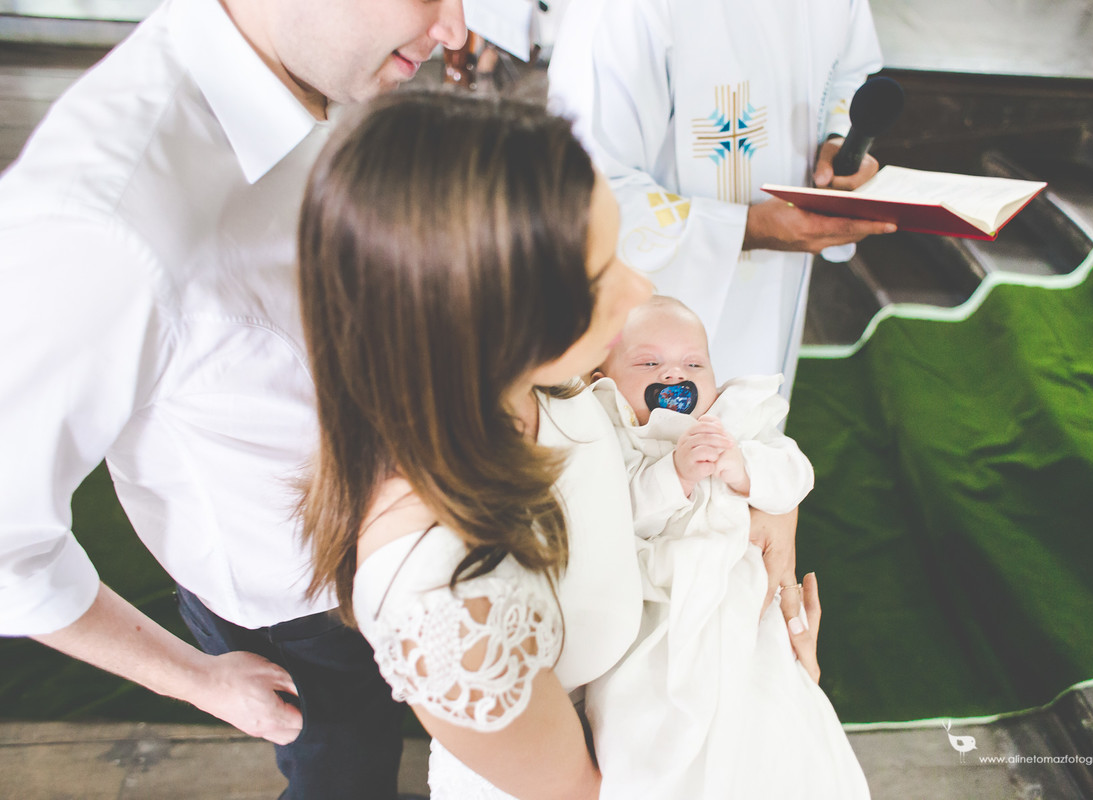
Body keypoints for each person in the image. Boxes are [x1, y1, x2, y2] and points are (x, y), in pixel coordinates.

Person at [295, 91, 822, 799]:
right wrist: (761, 715)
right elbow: (587, 789)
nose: (639, 290)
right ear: (487, 317)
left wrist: (770, 528)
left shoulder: (553, 383)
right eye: (598, 276)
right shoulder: (446, 604)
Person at [0, 0, 466, 795]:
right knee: (347, 778)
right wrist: (196, 680)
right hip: (303, 618)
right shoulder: (101, 221)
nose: (455, 29)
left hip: (402, 545)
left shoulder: (309, 73)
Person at [587, 295, 869, 799]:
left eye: (694, 363)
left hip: (740, 602)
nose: (675, 375)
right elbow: (609, 517)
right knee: (647, 720)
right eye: (649, 363)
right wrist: (672, 475)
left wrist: (744, 470)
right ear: (601, 378)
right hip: (656, 614)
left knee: (773, 716)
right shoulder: (612, 436)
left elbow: (795, 474)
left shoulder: (739, 422)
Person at [547, 0, 897, 393]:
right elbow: (585, 189)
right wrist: (743, 228)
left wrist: (840, 142)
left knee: (754, 431)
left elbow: (848, 71)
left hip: (777, 282)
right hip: (651, 319)